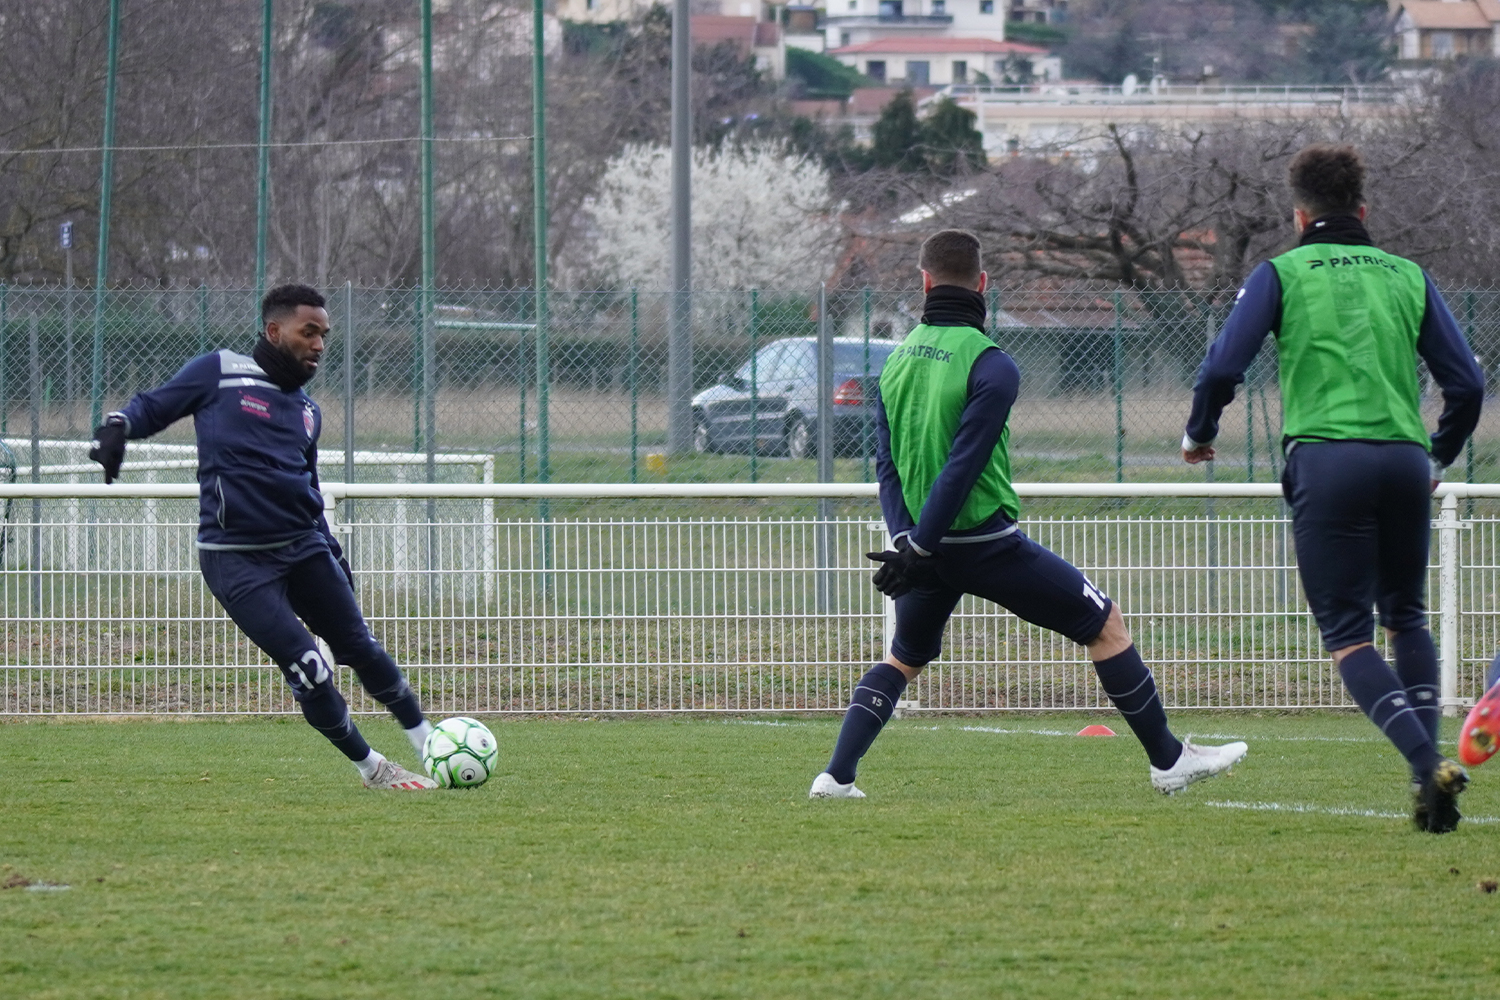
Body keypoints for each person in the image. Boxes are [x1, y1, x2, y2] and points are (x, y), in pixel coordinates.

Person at [810, 230, 1248, 800]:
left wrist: (908, 541)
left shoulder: (896, 361)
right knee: (1105, 624)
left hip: (926, 548)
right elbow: (963, 467)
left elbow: (886, 463)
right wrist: (915, 546)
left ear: (923, 283)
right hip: (985, 546)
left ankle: (836, 777)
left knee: (904, 658)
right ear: (983, 284)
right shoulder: (993, 365)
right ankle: (1169, 762)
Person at [1181, 144, 1484, 832]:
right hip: (1406, 460)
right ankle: (1428, 769)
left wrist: (1200, 432)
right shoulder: (1408, 274)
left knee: (1348, 634)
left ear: (1299, 214)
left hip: (1328, 459)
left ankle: (1425, 762)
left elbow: (1223, 364)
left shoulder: (1281, 272)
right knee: (1405, 614)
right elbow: (1466, 383)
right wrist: (1437, 452)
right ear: (1363, 209)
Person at [88, 284, 438, 790]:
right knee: (311, 669)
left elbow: (308, 489)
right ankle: (373, 768)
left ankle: (428, 741)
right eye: (309, 331)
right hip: (236, 560)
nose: (319, 344)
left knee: (359, 645)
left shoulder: (308, 412)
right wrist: (117, 425)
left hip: (303, 547)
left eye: (325, 335)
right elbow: (153, 405)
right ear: (275, 331)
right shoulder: (220, 372)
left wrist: (333, 554)